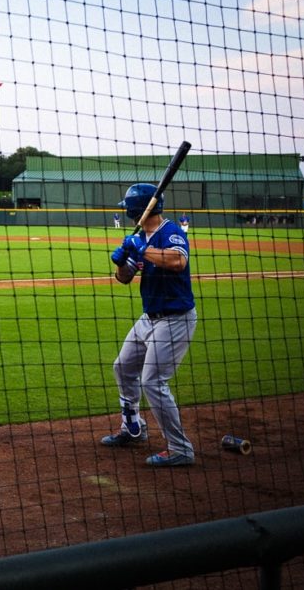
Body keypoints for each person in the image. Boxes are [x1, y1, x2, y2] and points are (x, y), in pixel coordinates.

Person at [104, 183, 197, 467]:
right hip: (150, 318)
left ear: (138, 209)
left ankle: (181, 449)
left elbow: (178, 261)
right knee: (123, 367)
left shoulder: (171, 232)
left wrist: (142, 250)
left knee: (153, 381)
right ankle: (133, 429)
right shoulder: (141, 236)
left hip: (175, 318)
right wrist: (121, 262)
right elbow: (124, 278)